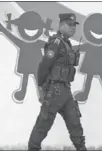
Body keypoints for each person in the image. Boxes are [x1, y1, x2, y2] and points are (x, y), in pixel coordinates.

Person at [28, 13, 87, 151]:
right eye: (70, 25)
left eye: (74, 25)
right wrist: (41, 88)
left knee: (75, 125)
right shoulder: (56, 43)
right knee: (43, 126)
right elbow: (44, 66)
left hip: (66, 91)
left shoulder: (67, 44)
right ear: (61, 26)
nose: (73, 28)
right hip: (54, 91)